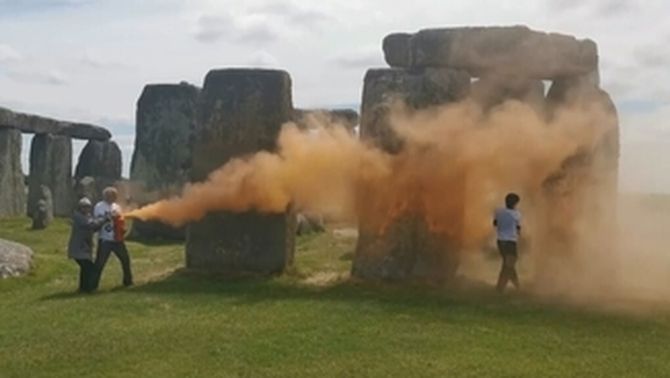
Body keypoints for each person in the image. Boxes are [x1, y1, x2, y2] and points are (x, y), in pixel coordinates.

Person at [93, 187, 133, 288]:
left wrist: (122, 228)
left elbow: (120, 220)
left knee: (125, 260)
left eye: (115, 196)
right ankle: (93, 285)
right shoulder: (99, 206)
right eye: (112, 196)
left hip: (117, 239)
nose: (114, 198)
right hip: (105, 239)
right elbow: (98, 220)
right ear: (106, 196)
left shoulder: (117, 206)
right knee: (100, 263)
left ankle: (128, 282)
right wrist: (110, 216)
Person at [67, 197, 106, 293]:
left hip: (84, 248)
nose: (86, 209)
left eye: (88, 207)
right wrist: (104, 219)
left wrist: (103, 221)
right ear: (80, 208)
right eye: (84, 207)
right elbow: (90, 225)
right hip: (79, 248)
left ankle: (83, 288)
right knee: (90, 268)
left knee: (85, 269)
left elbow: (93, 228)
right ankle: (89, 288)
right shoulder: (79, 217)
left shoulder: (87, 216)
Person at [493, 193, 522, 293]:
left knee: (508, 264)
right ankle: (500, 288)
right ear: (515, 203)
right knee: (508, 265)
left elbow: (495, 223)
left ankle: (517, 286)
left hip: (500, 241)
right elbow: (518, 228)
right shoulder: (516, 214)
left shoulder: (498, 211)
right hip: (511, 242)